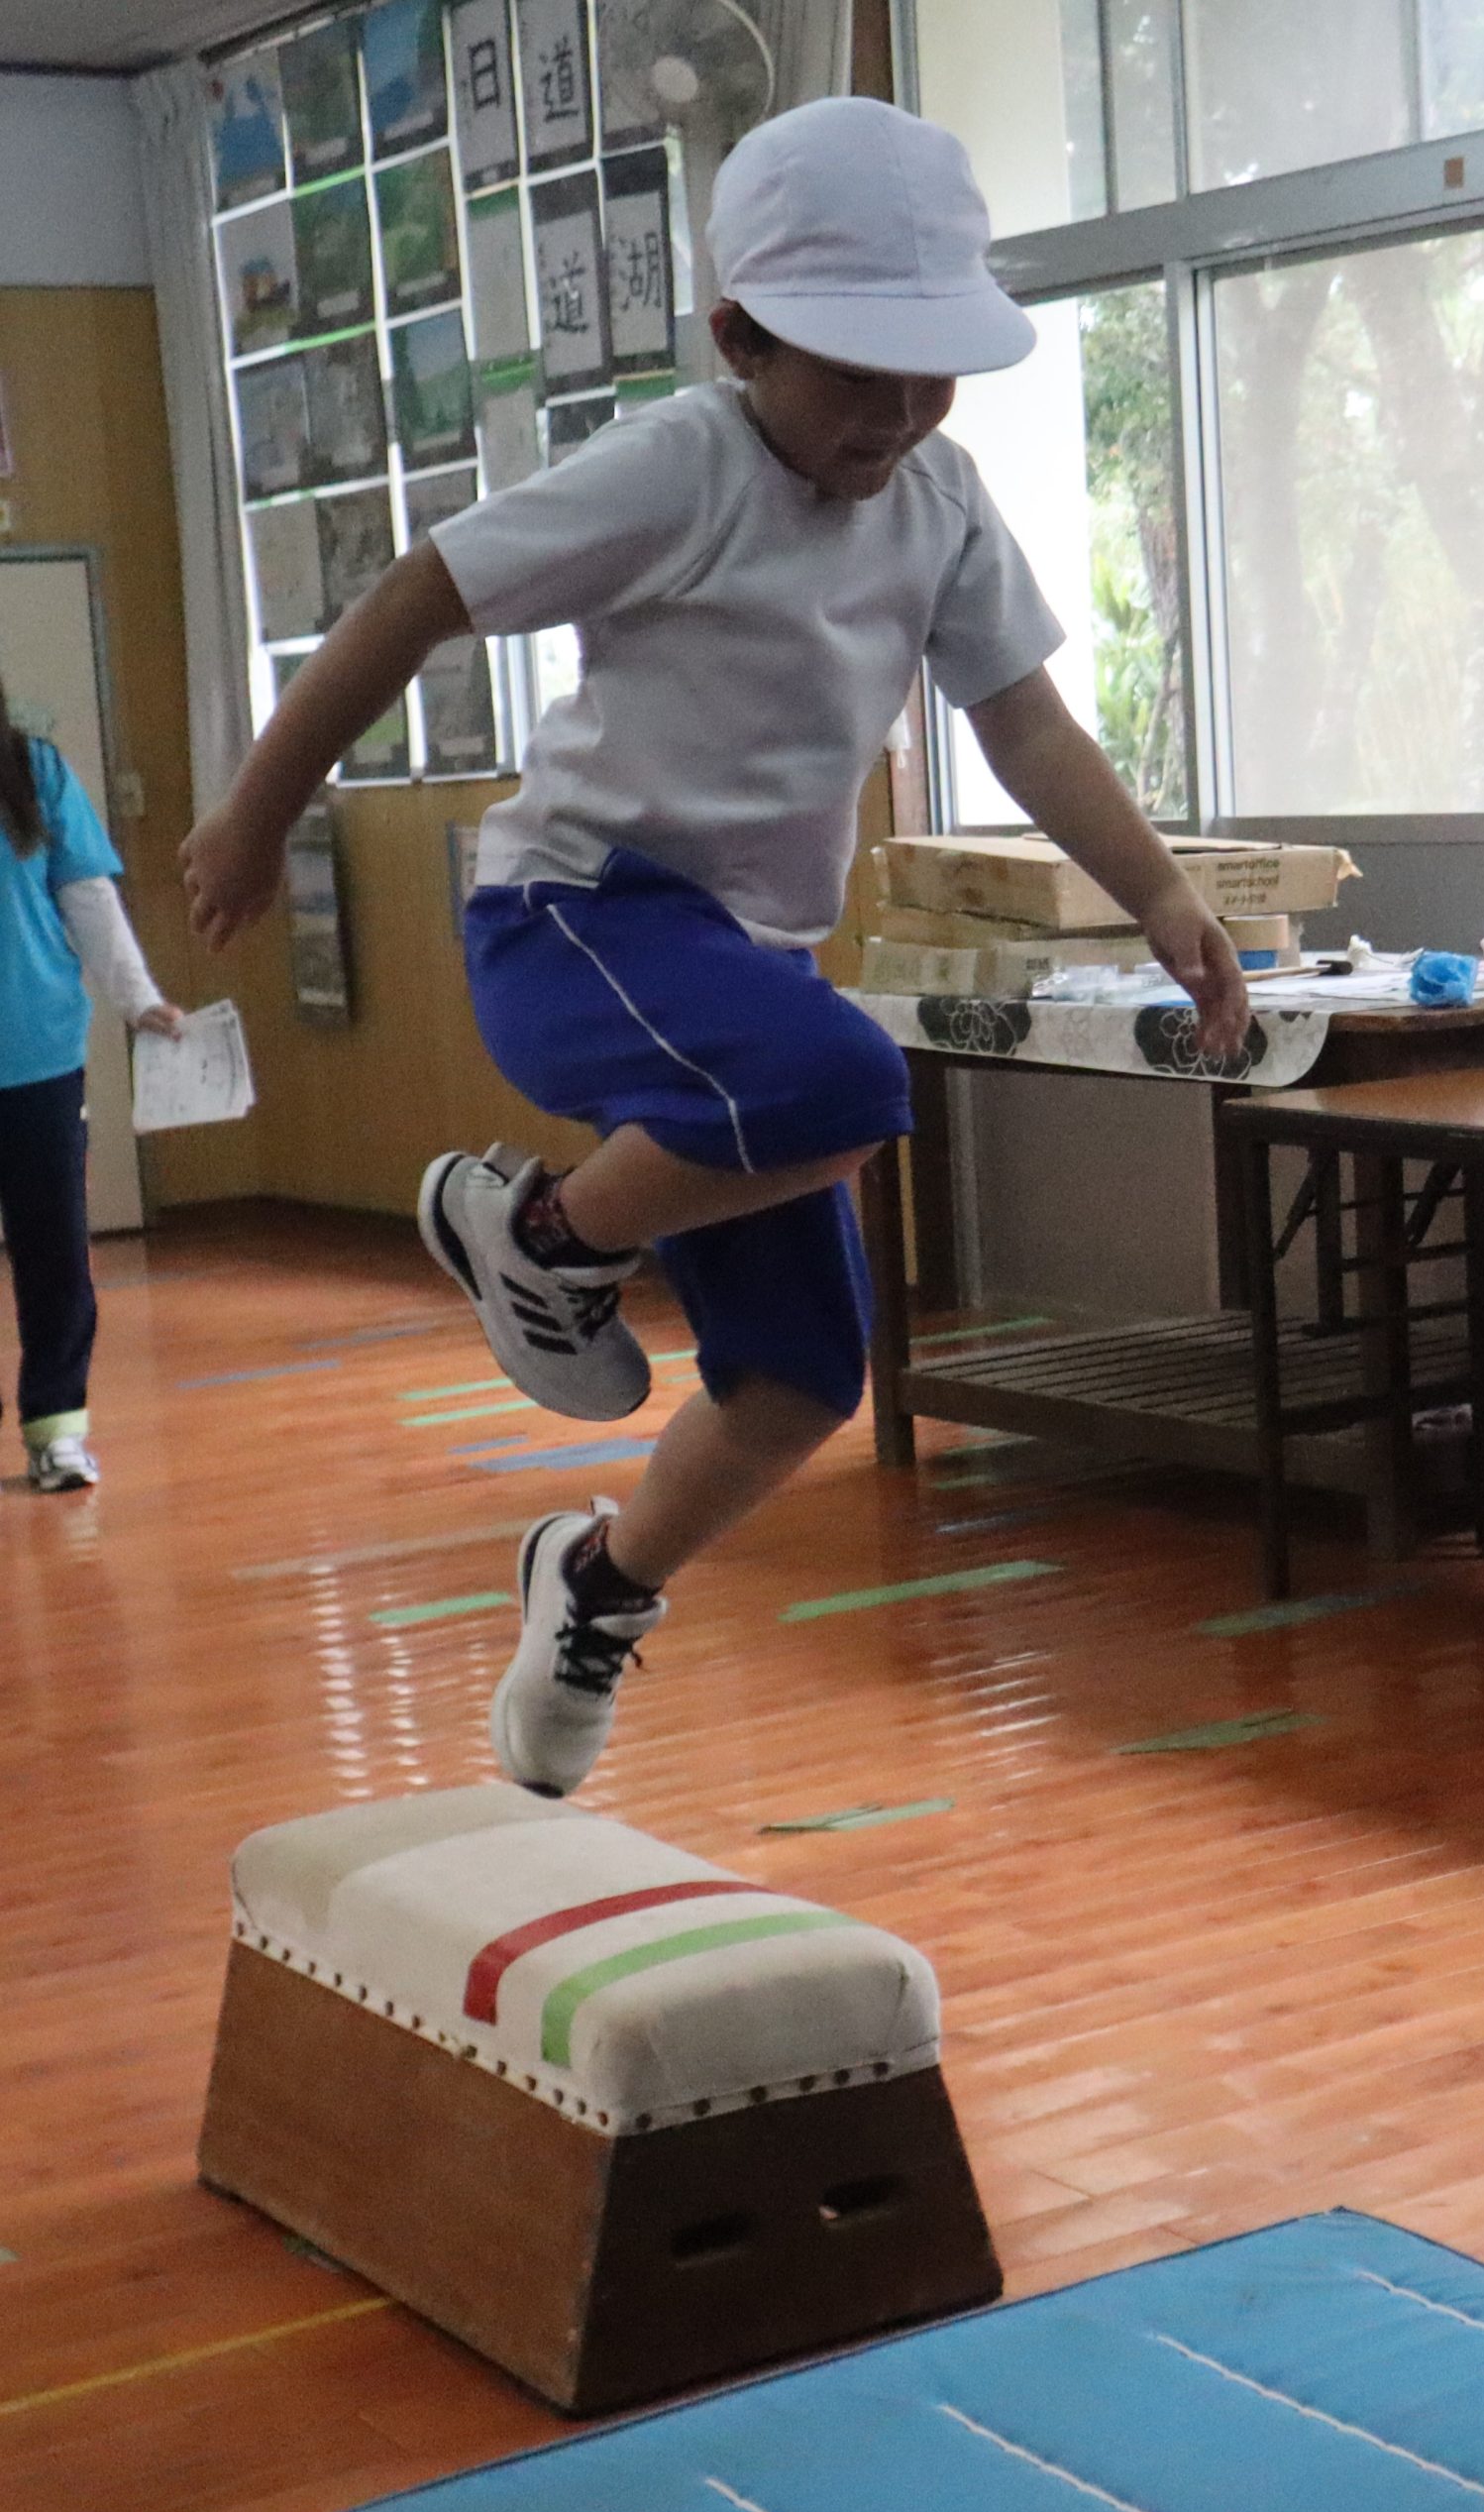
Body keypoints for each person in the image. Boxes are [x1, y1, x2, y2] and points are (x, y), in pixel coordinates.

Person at [180, 97, 1250, 1794]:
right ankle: (536, 1233)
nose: (893, 419)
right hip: (574, 915)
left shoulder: (941, 498)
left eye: (926, 382)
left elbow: (1026, 722)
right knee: (851, 1079)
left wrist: (1163, 891)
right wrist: (257, 812)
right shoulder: (680, 466)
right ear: (740, 338)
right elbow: (413, 597)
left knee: (806, 1375)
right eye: (854, 380)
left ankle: (596, 1587)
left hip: (736, 981)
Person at [0, 680, 181, 1490]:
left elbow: (87, 897)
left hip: (36, 1052)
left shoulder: (32, 771)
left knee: (54, 1252)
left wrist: (138, 999)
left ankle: (57, 1428)